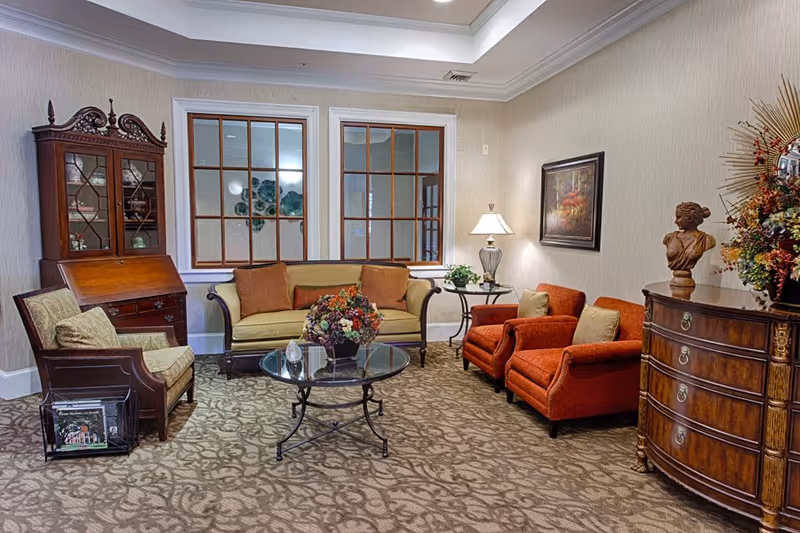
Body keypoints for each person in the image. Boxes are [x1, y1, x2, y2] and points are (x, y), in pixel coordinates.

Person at [663, 202, 716, 287]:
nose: (675, 221)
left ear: (690, 218)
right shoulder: (669, 238)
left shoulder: (707, 240)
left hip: (687, 284)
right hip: (675, 282)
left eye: (678, 217)